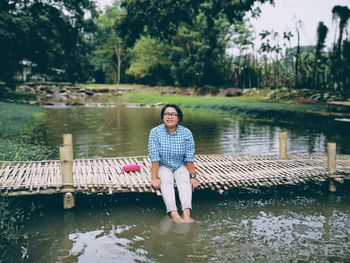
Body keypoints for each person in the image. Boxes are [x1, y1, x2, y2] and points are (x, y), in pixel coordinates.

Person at [148, 104, 199, 223]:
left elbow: (189, 158)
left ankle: (186, 213)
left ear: (179, 118)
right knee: (166, 180)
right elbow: (155, 157)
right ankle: (174, 214)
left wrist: (193, 177)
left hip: (179, 165)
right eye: (166, 114)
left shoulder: (186, 133)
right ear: (162, 117)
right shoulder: (155, 132)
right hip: (163, 165)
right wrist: (154, 178)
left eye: (173, 114)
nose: (169, 117)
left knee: (184, 180)